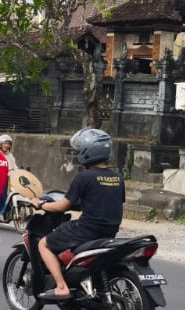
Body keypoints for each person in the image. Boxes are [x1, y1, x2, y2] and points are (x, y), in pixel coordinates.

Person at [35, 128, 125, 298]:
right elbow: (106, 201)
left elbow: (62, 207)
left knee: (43, 244)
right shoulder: (118, 177)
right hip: (109, 232)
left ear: (86, 152)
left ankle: (61, 286)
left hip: (86, 231)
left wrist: (41, 204)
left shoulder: (84, 177)